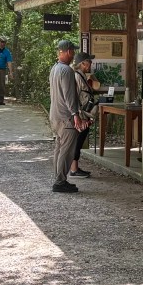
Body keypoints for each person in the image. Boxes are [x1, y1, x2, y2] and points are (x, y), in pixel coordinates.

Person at [49, 39, 88, 193]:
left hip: (55, 114)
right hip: (66, 117)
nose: (73, 54)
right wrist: (75, 114)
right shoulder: (67, 71)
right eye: (72, 51)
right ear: (67, 51)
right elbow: (69, 95)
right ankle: (60, 182)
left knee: (59, 148)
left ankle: (59, 178)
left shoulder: (55, 68)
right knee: (66, 150)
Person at [69, 51, 99, 178]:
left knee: (80, 141)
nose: (91, 64)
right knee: (78, 141)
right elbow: (75, 98)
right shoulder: (77, 77)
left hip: (84, 115)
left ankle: (74, 168)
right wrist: (80, 117)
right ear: (82, 63)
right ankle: (73, 169)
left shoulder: (82, 76)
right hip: (81, 116)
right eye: (89, 62)